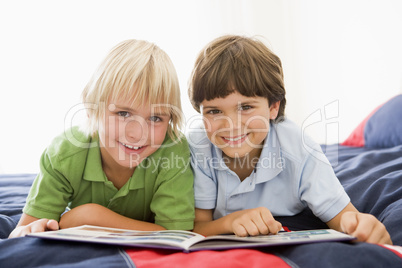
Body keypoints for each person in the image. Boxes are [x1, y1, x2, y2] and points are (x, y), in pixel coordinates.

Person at [186, 34, 392, 244]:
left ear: (273, 107)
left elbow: (342, 216)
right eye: (213, 111)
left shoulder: (299, 148)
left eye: (246, 107)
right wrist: (231, 222)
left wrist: (359, 224)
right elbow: (198, 227)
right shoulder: (198, 147)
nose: (230, 125)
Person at [9, 39, 194, 238]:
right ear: (91, 110)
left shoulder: (173, 150)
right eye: (123, 114)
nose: (137, 134)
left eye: (156, 118)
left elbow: (178, 235)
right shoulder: (64, 153)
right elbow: (21, 234)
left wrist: (92, 218)